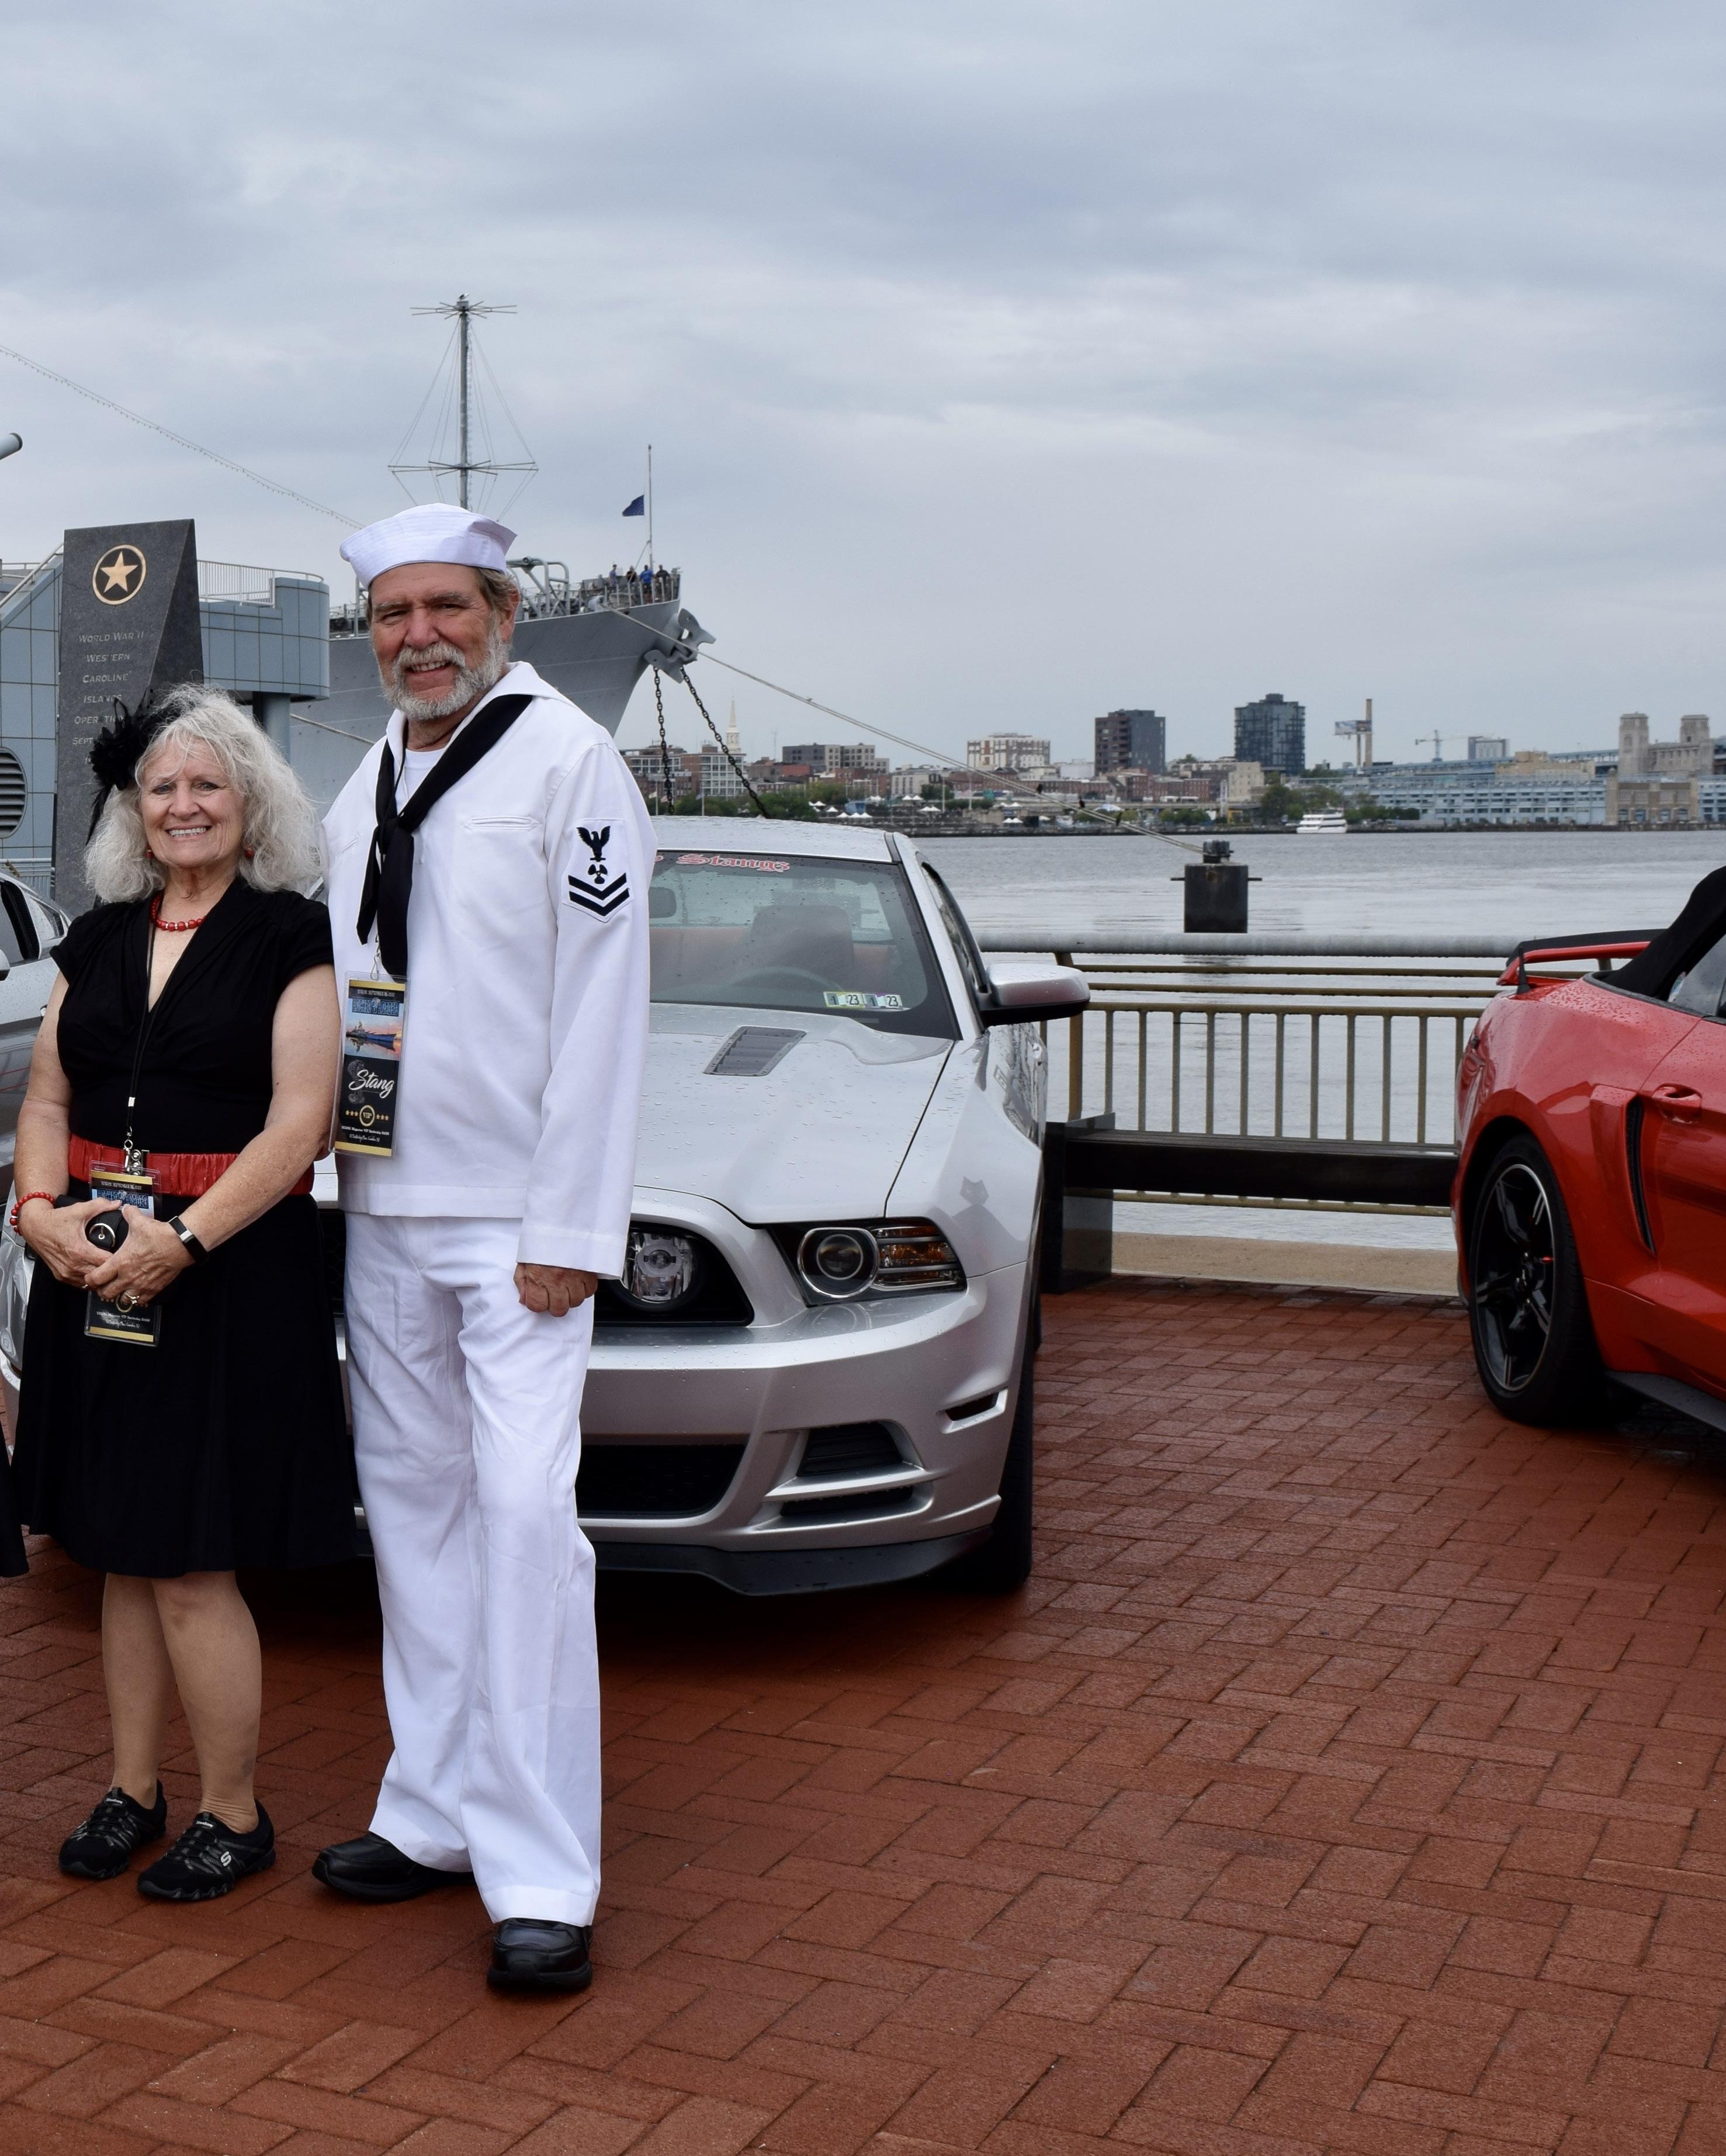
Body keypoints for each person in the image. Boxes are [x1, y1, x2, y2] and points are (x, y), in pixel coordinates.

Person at [313, 503, 652, 1995]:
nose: (420, 637)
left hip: (517, 1225)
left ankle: (541, 1872)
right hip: (382, 1206)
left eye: (446, 607)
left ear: (503, 615)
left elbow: (606, 1006)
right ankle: (436, 1808)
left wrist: (573, 1226)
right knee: (414, 1519)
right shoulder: (372, 773)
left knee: (522, 1523)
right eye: (393, 614)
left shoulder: (570, 762)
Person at [10, 687, 349, 1899]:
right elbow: (46, 1100)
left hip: (224, 1276)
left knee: (195, 1560)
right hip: (95, 1267)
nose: (184, 805)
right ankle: (132, 1790)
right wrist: (39, 1213)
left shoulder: (289, 938)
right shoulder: (96, 941)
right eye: (162, 787)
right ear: (134, 811)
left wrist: (185, 1241)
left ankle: (234, 1814)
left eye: (208, 784)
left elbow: (301, 1124)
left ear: (251, 802)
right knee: (116, 1545)